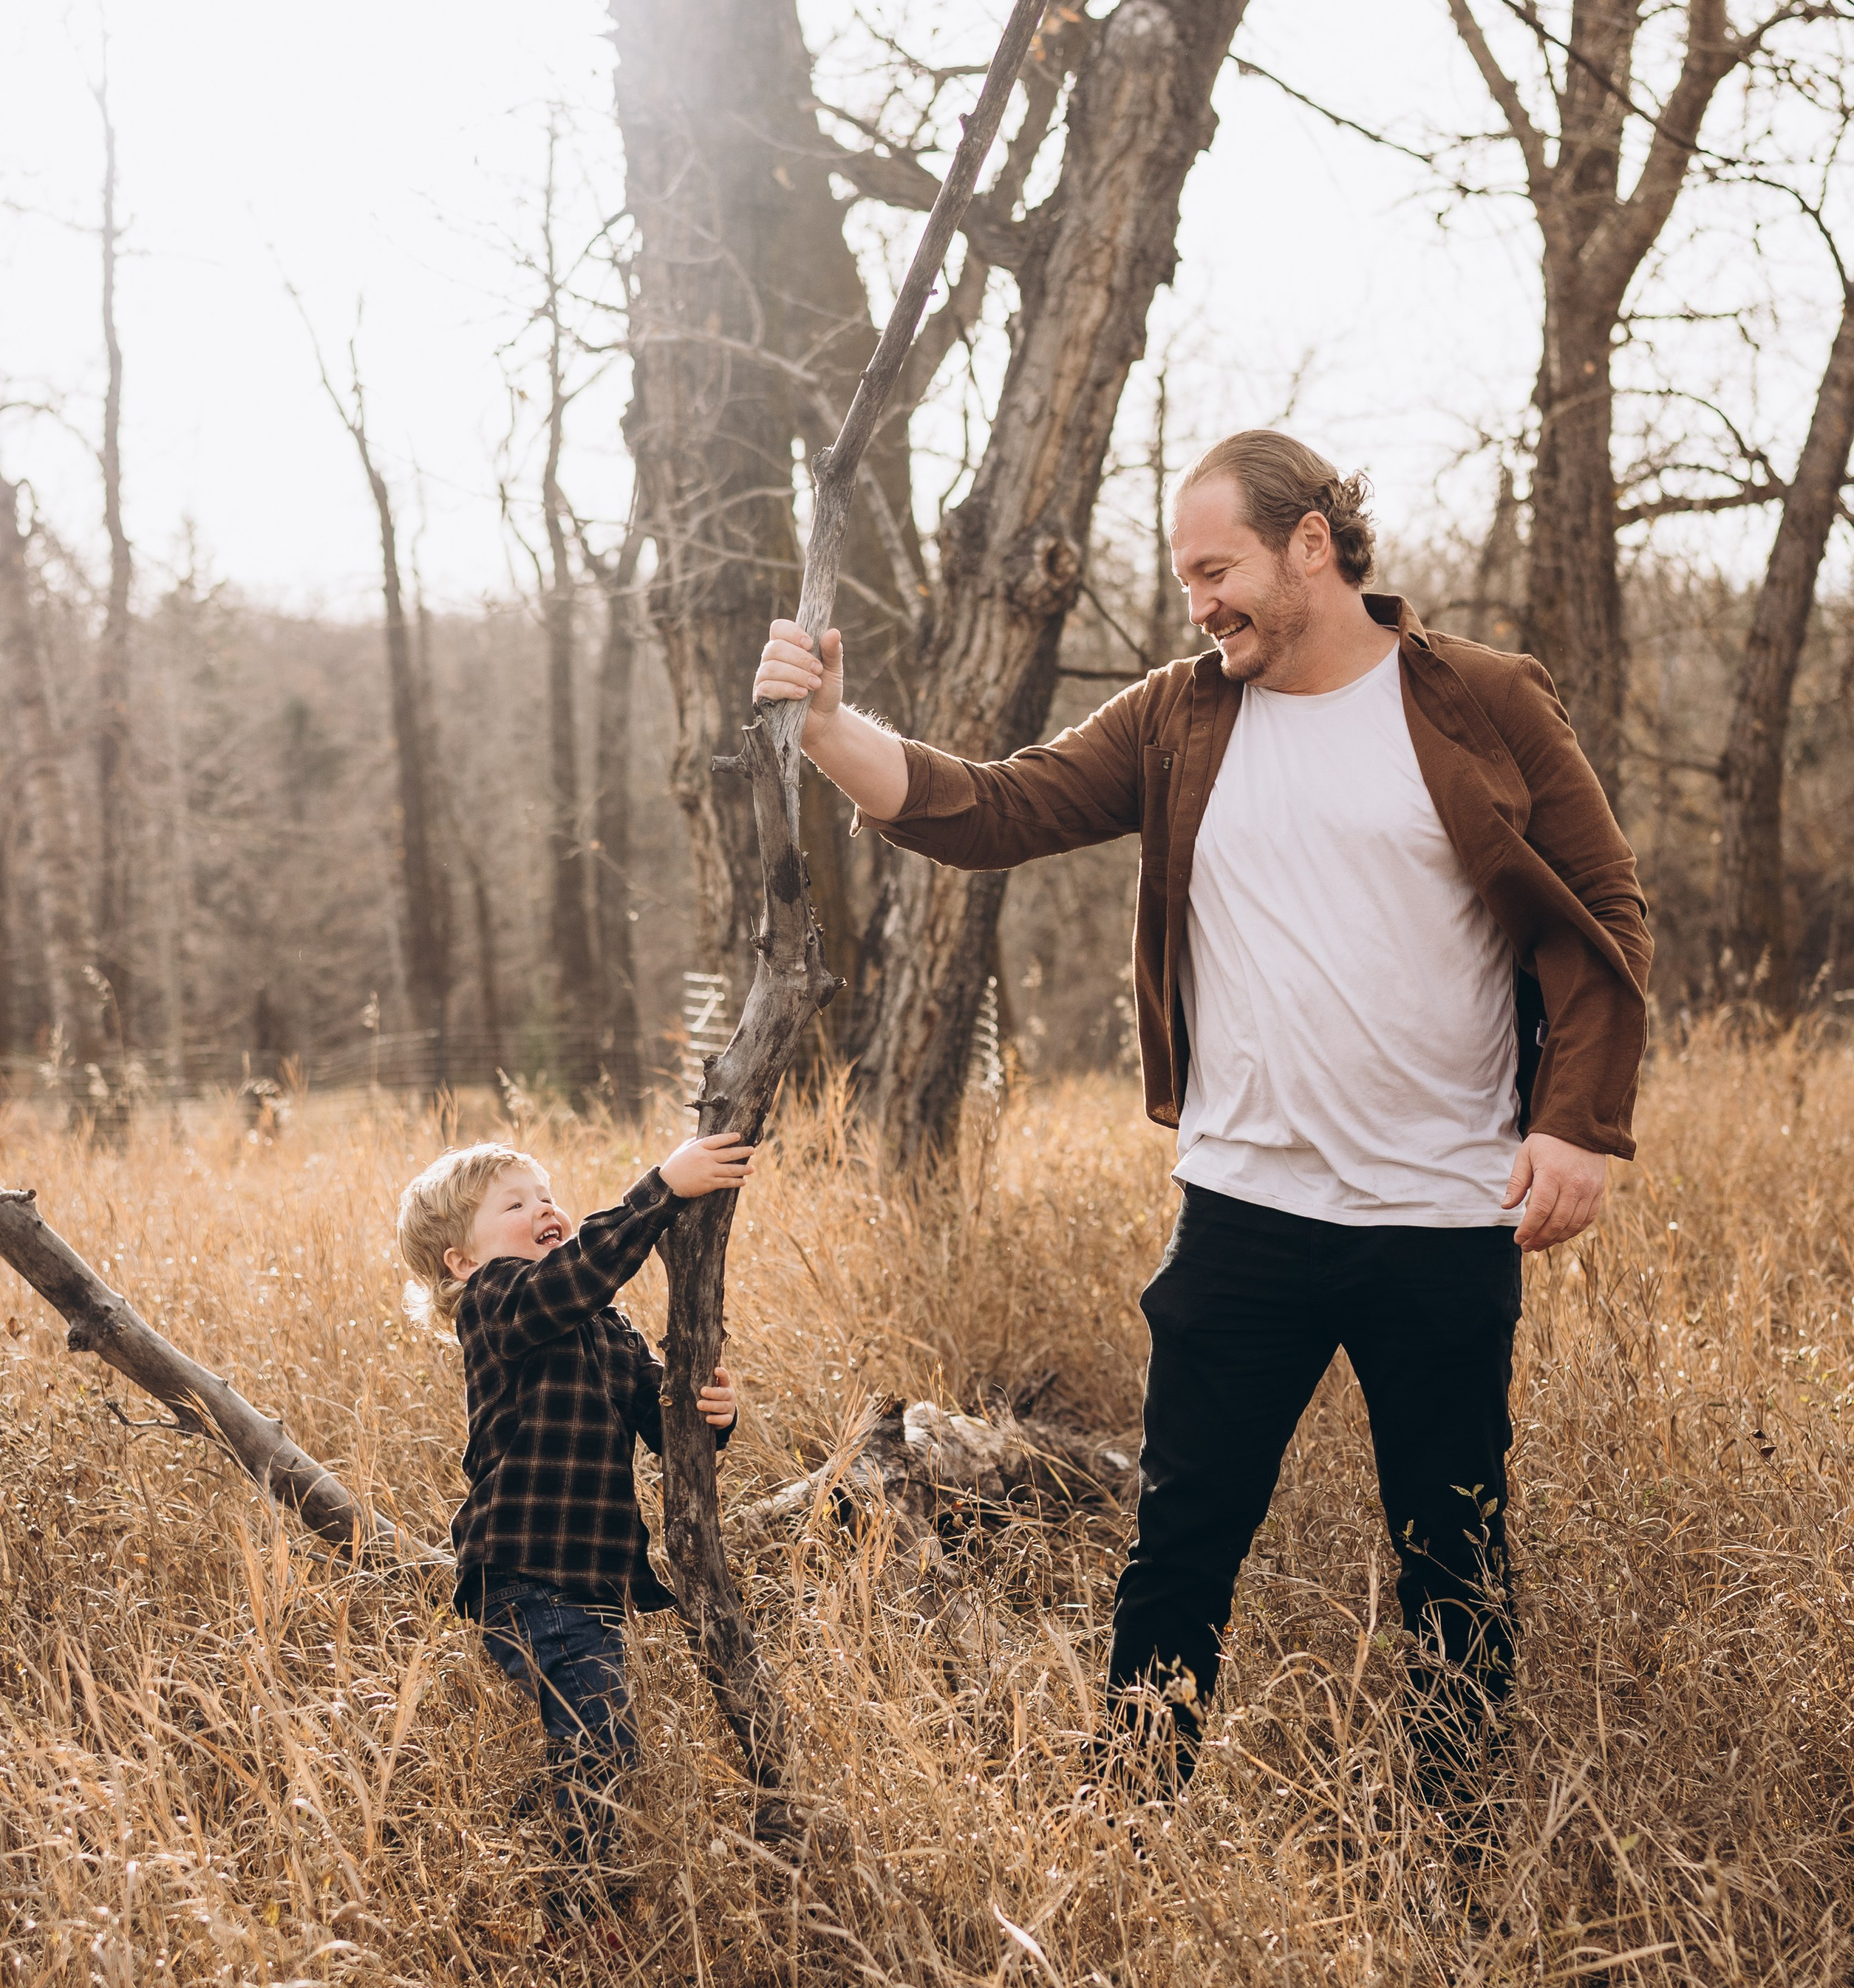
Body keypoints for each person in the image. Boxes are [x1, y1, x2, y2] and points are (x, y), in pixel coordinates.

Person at [752, 429, 1652, 1801]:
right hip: (1243, 1216)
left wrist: (1576, 1126)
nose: (1200, 604)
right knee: (1179, 1552)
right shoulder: (1180, 717)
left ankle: (1463, 1858)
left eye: (1218, 570)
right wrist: (826, 729)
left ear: (1311, 545)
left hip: (1440, 1213)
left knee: (1453, 1559)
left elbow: (1606, 914)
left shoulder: (1481, 700)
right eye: (1185, 581)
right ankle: (1132, 1827)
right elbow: (994, 809)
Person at [396, 1131, 753, 1870]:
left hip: (587, 1581)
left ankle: (547, 1838)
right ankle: (578, 1901)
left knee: (592, 1735)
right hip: (524, 1571)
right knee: (603, 1739)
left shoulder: (606, 1327)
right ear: (461, 1262)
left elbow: (667, 1431)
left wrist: (709, 1413)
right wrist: (659, 1190)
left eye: (547, 1195)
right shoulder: (495, 1304)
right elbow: (580, 1275)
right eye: (515, 1204)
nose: (546, 1209)